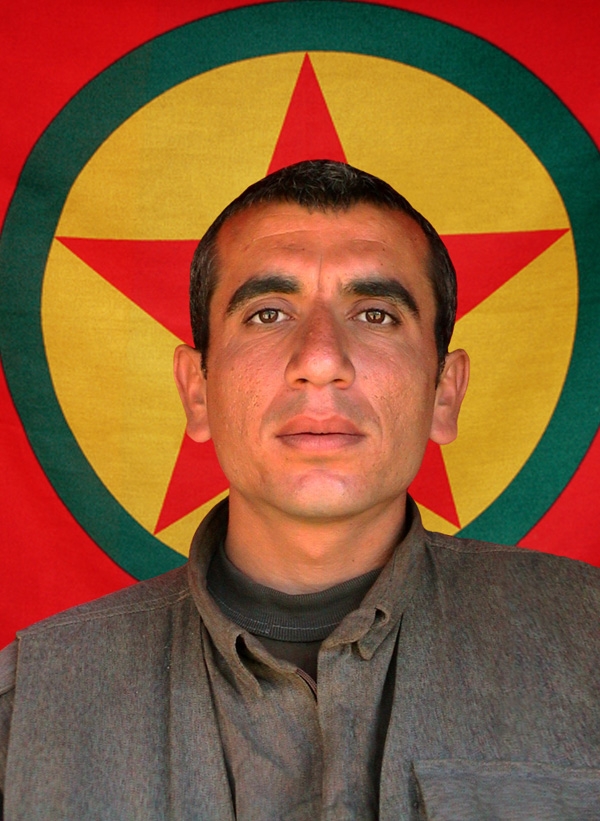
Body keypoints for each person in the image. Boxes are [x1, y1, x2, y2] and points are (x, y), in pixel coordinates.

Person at [0, 160, 598, 819]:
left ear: (444, 393)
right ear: (197, 390)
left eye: (375, 314)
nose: (320, 359)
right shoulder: (27, 710)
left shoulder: (587, 645)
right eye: (267, 314)